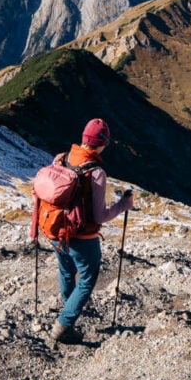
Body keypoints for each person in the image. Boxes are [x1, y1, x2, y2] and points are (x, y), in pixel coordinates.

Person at [45, 118, 133, 344]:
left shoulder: (60, 158)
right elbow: (100, 216)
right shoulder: (95, 172)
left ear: (84, 138)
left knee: (66, 271)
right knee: (87, 278)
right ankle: (63, 325)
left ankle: (69, 313)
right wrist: (124, 204)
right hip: (81, 237)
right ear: (102, 143)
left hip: (55, 228)